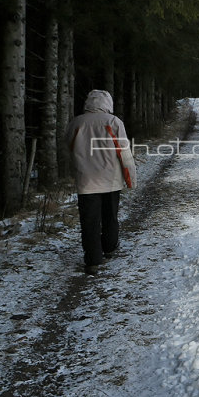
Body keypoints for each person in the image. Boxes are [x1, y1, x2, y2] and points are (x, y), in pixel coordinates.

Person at [66, 89, 136, 275]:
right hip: (111, 179)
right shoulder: (113, 122)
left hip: (86, 180)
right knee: (110, 216)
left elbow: (69, 147)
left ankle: (92, 260)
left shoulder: (76, 123)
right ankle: (110, 247)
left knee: (89, 221)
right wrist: (131, 178)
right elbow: (124, 152)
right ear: (108, 103)